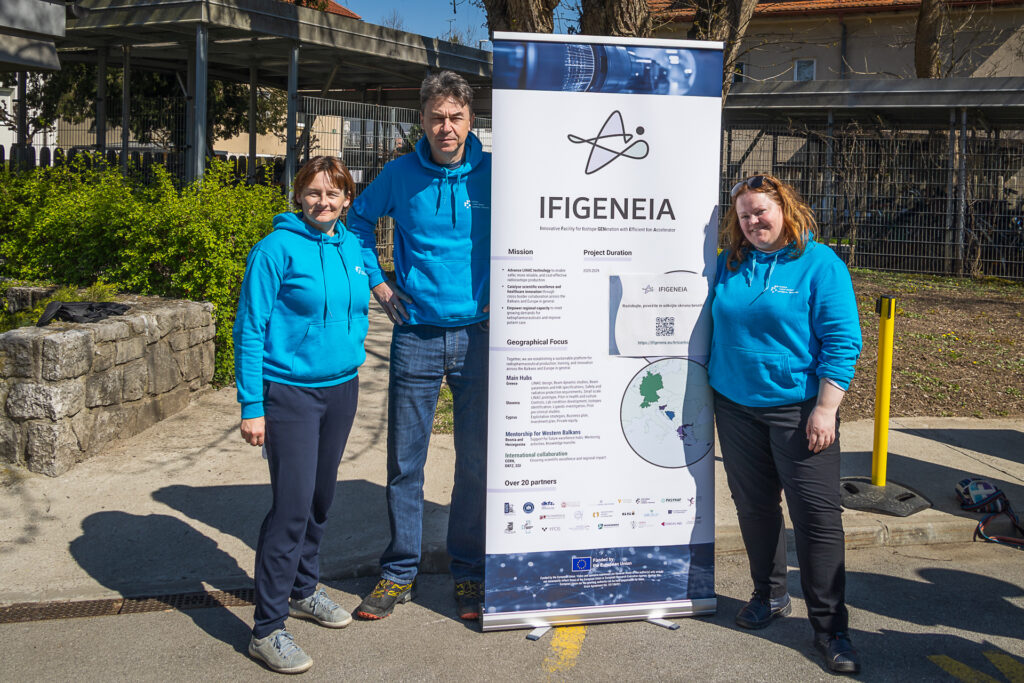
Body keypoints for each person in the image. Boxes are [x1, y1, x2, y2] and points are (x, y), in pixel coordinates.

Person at [347, 70, 490, 622]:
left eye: (456, 117)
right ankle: (398, 572)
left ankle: (470, 572)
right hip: (416, 334)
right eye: (436, 117)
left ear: (470, 120)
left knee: (475, 464)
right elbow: (357, 223)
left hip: (480, 335)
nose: (446, 127)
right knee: (407, 461)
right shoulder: (400, 174)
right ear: (423, 121)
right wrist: (377, 282)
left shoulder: (495, 174)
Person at [709, 174, 863, 675]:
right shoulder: (729, 264)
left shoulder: (820, 265)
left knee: (817, 521)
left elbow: (843, 342)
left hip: (797, 411)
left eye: (761, 211)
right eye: (745, 215)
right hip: (734, 406)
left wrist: (825, 409)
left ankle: (830, 629)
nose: (754, 222)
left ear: (785, 208)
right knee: (755, 509)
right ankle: (768, 595)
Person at [234, 156, 370, 674]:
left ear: (347, 199)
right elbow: (250, 327)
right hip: (289, 394)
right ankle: (267, 629)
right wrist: (252, 405)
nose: (323, 202)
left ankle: (304, 589)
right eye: (313, 193)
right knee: (290, 509)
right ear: (298, 196)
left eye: (333, 194)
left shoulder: (352, 245)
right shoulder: (275, 250)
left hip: (342, 390)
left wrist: (379, 291)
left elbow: (363, 287)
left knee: (320, 499)